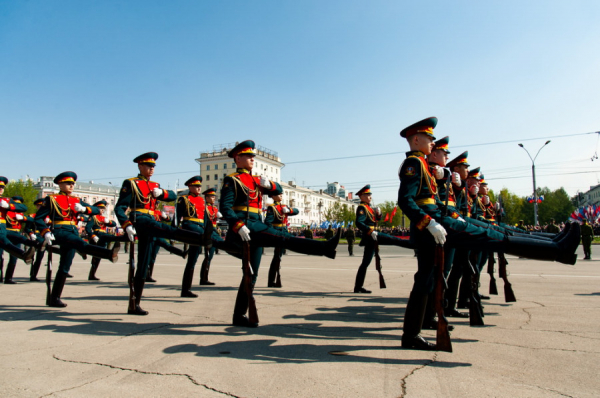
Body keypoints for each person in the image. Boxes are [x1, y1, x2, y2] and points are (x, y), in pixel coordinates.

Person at [397, 117, 580, 350]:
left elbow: (435, 198)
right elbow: (405, 200)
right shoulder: (413, 164)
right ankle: (557, 250)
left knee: (429, 277)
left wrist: (444, 182)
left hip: (436, 221)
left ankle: (412, 333)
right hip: (432, 225)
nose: (432, 142)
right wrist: (429, 222)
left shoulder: (423, 164)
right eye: (429, 138)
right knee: (492, 238)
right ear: (416, 139)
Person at [220, 140, 341, 327]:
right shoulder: (232, 180)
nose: (253, 158)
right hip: (245, 225)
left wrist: (269, 184)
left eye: (253, 156)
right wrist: (237, 224)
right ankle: (325, 247)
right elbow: (225, 207)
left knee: (251, 275)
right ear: (237, 158)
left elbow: (279, 190)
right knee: (284, 238)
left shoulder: (255, 180)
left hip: (255, 224)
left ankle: (238, 315)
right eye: (248, 156)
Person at [114, 153, 208, 315]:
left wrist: (162, 193)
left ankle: (134, 304)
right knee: (166, 230)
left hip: (150, 221)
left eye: (153, 166)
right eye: (148, 166)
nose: (151, 169)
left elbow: (172, 195)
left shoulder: (155, 185)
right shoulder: (131, 183)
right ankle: (197, 238)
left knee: (143, 264)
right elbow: (119, 208)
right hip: (140, 219)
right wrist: (126, 224)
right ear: (140, 166)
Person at [35, 172, 120, 307]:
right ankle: (108, 254)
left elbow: (96, 210)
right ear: (60, 184)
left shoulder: (76, 200)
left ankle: (54, 298)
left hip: (73, 230)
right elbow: (38, 218)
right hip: (60, 231)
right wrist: (45, 231)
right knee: (80, 243)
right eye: (68, 183)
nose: (71, 186)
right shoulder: (52, 199)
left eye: (73, 183)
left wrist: (84, 209)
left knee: (65, 266)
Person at [353, 185, 412, 293]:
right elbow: (359, 222)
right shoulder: (362, 207)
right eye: (367, 195)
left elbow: (373, 220)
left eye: (370, 195)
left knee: (365, 263)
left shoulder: (368, 207)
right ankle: (413, 245)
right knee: (393, 239)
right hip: (371, 235)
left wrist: (379, 215)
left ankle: (358, 287)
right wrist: (370, 231)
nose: (370, 197)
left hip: (372, 235)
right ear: (361, 196)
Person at [264, 185, 299, 287]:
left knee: (278, 257)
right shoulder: (272, 208)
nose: (281, 196)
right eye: (278, 194)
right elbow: (268, 222)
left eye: (281, 194)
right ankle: (271, 281)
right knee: (277, 257)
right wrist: (272, 234)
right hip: (278, 232)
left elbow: (297, 211)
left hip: (284, 231)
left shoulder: (284, 206)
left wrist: (290, 211)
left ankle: (272, 280)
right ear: (273, 197)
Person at [85, 200, 129, 281]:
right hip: (97, 236)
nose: (102, 210)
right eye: (101, 208)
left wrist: (108, 221)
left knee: (99, 256)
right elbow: (87, 228)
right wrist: (93, 236)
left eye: (103, 209)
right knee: (97, 255)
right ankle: (122, 238)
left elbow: (114, 224)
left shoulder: (103, 218)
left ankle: (92, 274)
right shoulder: (93, 217)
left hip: (102, 237)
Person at [200, 187, 225, 285]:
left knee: (210, 256)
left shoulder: (214, 208)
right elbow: (205, 222)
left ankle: (205, 278)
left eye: (214, 196)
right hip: (208, 232)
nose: (214, 198)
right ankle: (203, 278)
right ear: (206, 197)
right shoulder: (205, 208)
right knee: (207, 256)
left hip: (214, 231)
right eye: (211, 196)